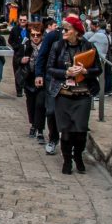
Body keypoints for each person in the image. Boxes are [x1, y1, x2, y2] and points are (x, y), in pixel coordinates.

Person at [47, 16, 102, 174]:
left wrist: (85, 71)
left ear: (76, 32)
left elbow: (98, 69)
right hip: (63, 94)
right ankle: (67, 160)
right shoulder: (57, 46)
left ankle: (78, 155)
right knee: (65, 130)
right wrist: (66, 72)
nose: (63, 32)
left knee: (80, 130)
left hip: (82, 94)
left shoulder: (88, 46)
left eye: (66, 29)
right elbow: (50, 68)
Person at [35, 17, 62, 155]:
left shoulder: (82, 41)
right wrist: (39, 74)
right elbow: (42, 55)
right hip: (51, 78)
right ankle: (53, 138)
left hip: (70, 80)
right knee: (51, 111)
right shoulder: (53, 36)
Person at [18, 24, 47, 143]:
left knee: (40, 104)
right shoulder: (26, 46)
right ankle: (33, 125)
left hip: (42, 81)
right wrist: (21, 60)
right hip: (29, 79)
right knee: (31, 104)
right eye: (33, 35)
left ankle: (40, 129)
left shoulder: (46, 47)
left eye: (38, 35)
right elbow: (16, 59)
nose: (35, 37)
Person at [86, 19, 112, 98]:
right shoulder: (107, 34)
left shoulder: (98, 35)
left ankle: (97, 93)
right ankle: (104, 91)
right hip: (104, 57)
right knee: (104, 75)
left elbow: (87, 42)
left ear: (98, 27)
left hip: (99, 58)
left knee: (97, 76)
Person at [8, 14, 29, 97]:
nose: (22, 22)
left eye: (24, 20)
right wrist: (16, 46)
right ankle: (19, 91)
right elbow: (10, 40)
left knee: (28, 72)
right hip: (18, 54)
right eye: (21, 20)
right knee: (17, 72)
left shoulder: (29, 29)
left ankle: (26, 89)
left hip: (28, 53)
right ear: (18, 20)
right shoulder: (15, 29)